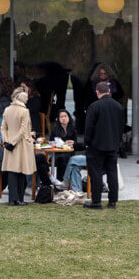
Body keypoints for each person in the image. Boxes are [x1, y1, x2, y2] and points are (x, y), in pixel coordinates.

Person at [83, 81, 124, 209]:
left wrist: (87, 142)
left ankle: (96, 201)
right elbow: (121, 127)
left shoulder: (94, 106)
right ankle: (112, 201)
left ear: (97, 92)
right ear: (109, 92)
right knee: (112, 173)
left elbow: (89, 127)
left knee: (96, 174)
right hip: (112, 145)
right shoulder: (118, 107)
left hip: (96, 146)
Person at [0, 88, 36, 206]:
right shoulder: (24, 111)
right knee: (21, 171)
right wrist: (13, 142)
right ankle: (19, 198)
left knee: (12, 171)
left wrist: (7, 141)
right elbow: (23, 129)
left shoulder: (7, 109)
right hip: (20, 144)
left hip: (10, 143)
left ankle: (12, 199)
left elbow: (3, 127)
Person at [48, 108, 78, 183]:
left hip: (69, 152)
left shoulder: (73, 128)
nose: (63, 118)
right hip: (57, 152)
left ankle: (63, 181)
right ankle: (60, 182)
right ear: (58, 118)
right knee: (61, 158)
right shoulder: (55, 128)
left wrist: (72, 142)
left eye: (65, 116)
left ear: (69, 117)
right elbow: (51, 141)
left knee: (64, 158)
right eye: (61, 117)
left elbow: (76, 143)